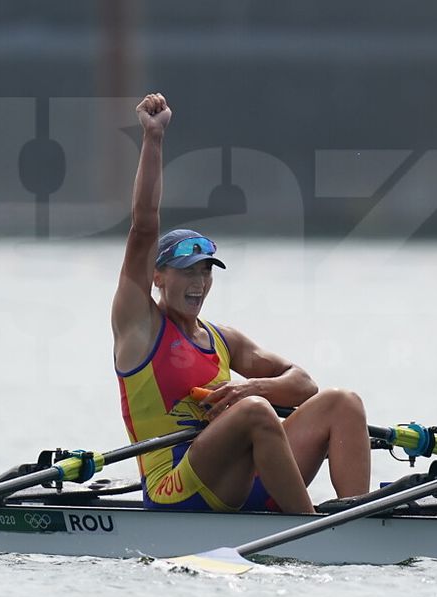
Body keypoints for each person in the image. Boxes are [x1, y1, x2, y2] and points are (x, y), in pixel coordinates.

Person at [113, 92, 370, 514]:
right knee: (255, 413)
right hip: (176, 487)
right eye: (187, 271)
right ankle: (312, 529)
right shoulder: (138, 327)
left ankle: (359, 521)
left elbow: (304, 384)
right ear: (157, 277)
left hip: (243, 478)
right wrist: (154, 139)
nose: (199, 282)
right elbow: (143, 227)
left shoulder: (222, 339)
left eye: (206, 271)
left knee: (344, 403)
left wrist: (250, 386)